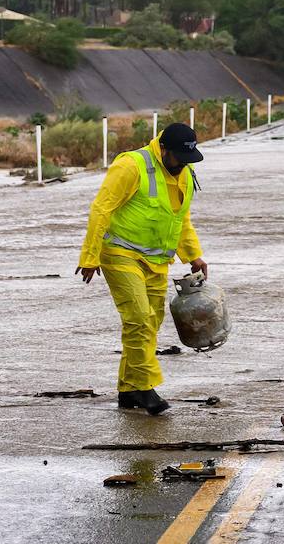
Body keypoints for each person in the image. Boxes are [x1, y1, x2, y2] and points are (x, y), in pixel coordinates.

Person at [75, 122, 208, 416]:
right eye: (179, 158)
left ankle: (128, 389)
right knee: (137, 317)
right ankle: (146, 387)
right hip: (120, 254)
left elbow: (180, 219)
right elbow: (101, 208)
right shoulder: (132, 166)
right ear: (163, 149)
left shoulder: (185, 174)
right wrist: (90, 256)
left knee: (150, 323)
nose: (183, 165)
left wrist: (193, 255)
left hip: (157, 261)